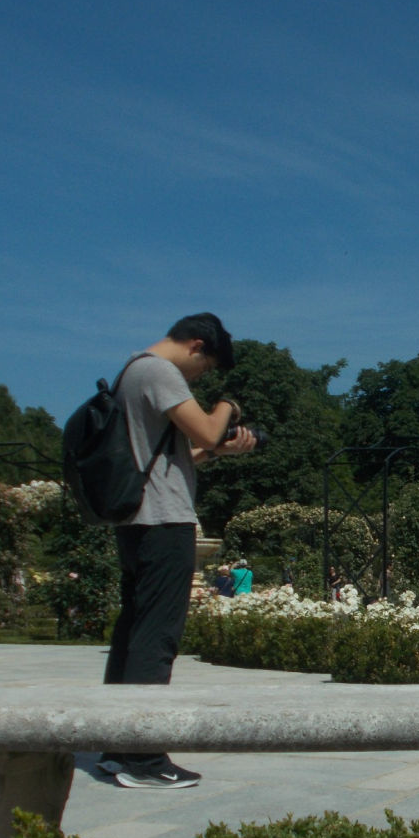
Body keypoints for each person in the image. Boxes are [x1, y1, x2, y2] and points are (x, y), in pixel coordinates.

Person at [97, 313, 258, 789]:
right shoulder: (159, 371)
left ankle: (115, 743)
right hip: (163, 520)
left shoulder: (131, 370)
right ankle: (143, 758)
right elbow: (207, 430)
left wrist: (218, 452)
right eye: (204, 369)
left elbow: (180, 454)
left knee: (132, 631)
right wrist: (226, 405)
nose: (198, 379)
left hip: (136, 519)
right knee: (157, 636)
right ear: (196, 345)